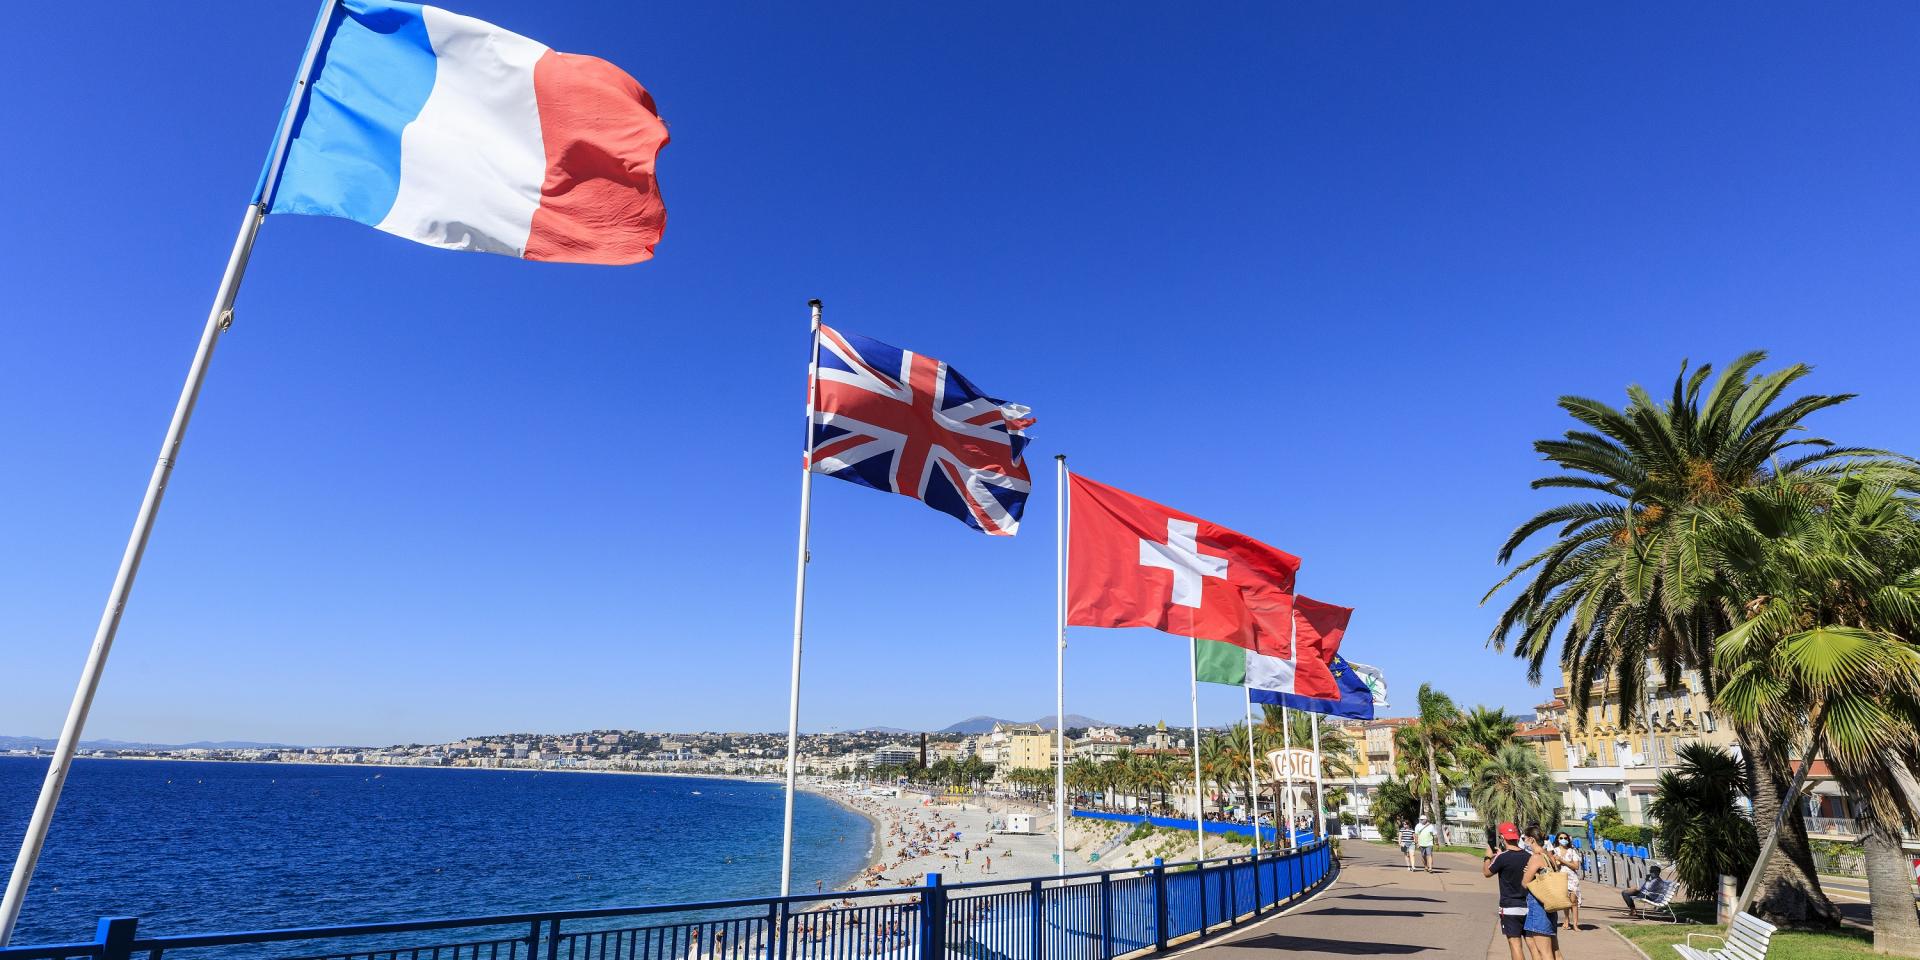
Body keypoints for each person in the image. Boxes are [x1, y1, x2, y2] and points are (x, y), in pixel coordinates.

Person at [1484, 822, 1532, 960]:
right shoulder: (1529, 856)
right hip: (1528, 905)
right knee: (1532, 944)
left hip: (1510, 906)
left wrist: (1488, 857)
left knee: (1515, 944)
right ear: (1517, 837)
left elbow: (1487, 873)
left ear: (1502, 837)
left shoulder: (1503, 857)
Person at [1521, 828, 1564, 960]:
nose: (1523, 842)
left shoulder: (1536, 857)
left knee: (1545, 952)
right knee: (1554, 949)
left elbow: (1524, 883)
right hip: (1550, 903)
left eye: (1524, 839)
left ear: (1531, 839)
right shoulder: (1547, 855)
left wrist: (1527, 872)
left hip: (1538, 905)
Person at [1553, 833, 1582, 931]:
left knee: (1574, 901)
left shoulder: (1572, 851)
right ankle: (1566, 920)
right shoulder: (1554, 851)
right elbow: (1554, 865)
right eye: (1561, 838)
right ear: (1557, 839)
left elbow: (1576, 866)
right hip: (1561, 878)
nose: (1563, 839)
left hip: (1572, 878)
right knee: (1566, 901)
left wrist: (1562, 860)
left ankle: (1575, 924)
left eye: (1565, 838)